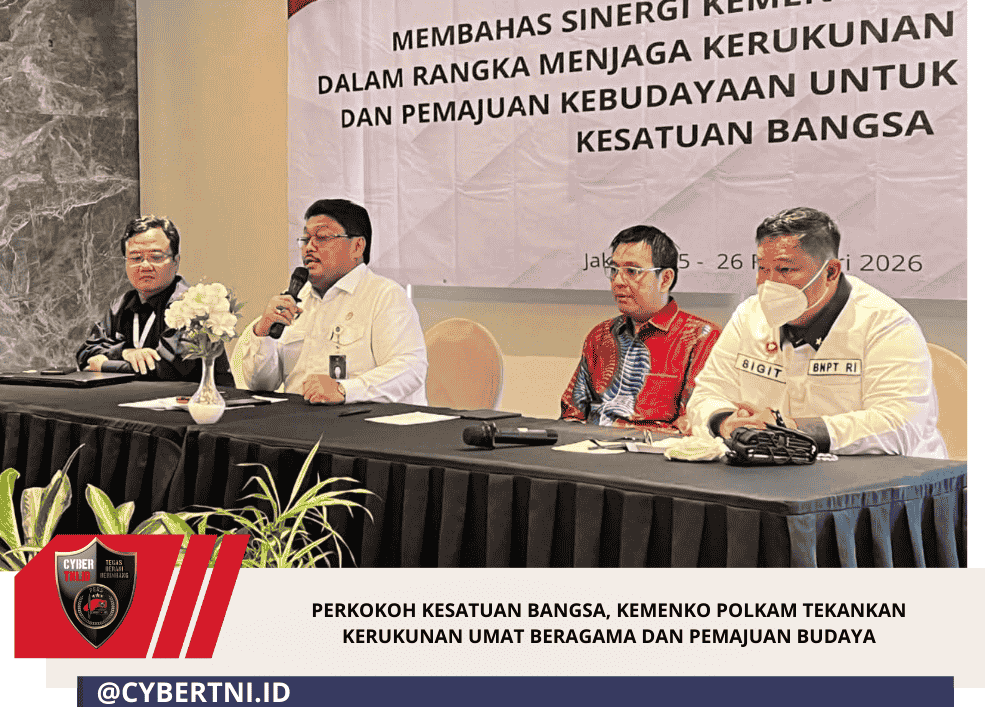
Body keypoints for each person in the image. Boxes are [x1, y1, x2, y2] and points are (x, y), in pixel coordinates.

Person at [687, 207, 947, 458]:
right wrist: (726, 422)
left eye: (785, 270)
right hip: (776, 470)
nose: (769, 283)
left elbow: (898, 425)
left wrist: (791, 429)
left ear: (831, 272)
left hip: (890, 479)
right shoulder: (749, 315)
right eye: (762, 269)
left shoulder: (886, 323)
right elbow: (707, 394)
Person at [242, 198, 427, 404]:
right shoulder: (296, 300)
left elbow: (411, 368)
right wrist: (263, 333)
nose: (309, 247)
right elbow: (261, 385)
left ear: (357, 246)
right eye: (305, 239)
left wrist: (345, 390)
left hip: (363, 419)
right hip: (297, 418)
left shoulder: (385, 295)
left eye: (322, 237)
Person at [560, 225, 721, 430]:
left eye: (632, 271)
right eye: (614, 270)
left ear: (665, 279)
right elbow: (572, 414)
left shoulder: (700, 337)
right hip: (591, 444)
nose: (618, 281)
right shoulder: (601, 335)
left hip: (655, 448)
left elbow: (692, 424)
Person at [76, 216, 234, 384]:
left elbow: (167, 369)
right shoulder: (121, 305)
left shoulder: (192, 306)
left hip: (196, 398)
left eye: (156, 257)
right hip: (136, 397)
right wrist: (124, 352)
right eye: (136, 258)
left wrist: (103, 365)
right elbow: (85, 353)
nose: (145, 266)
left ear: (176, 261)